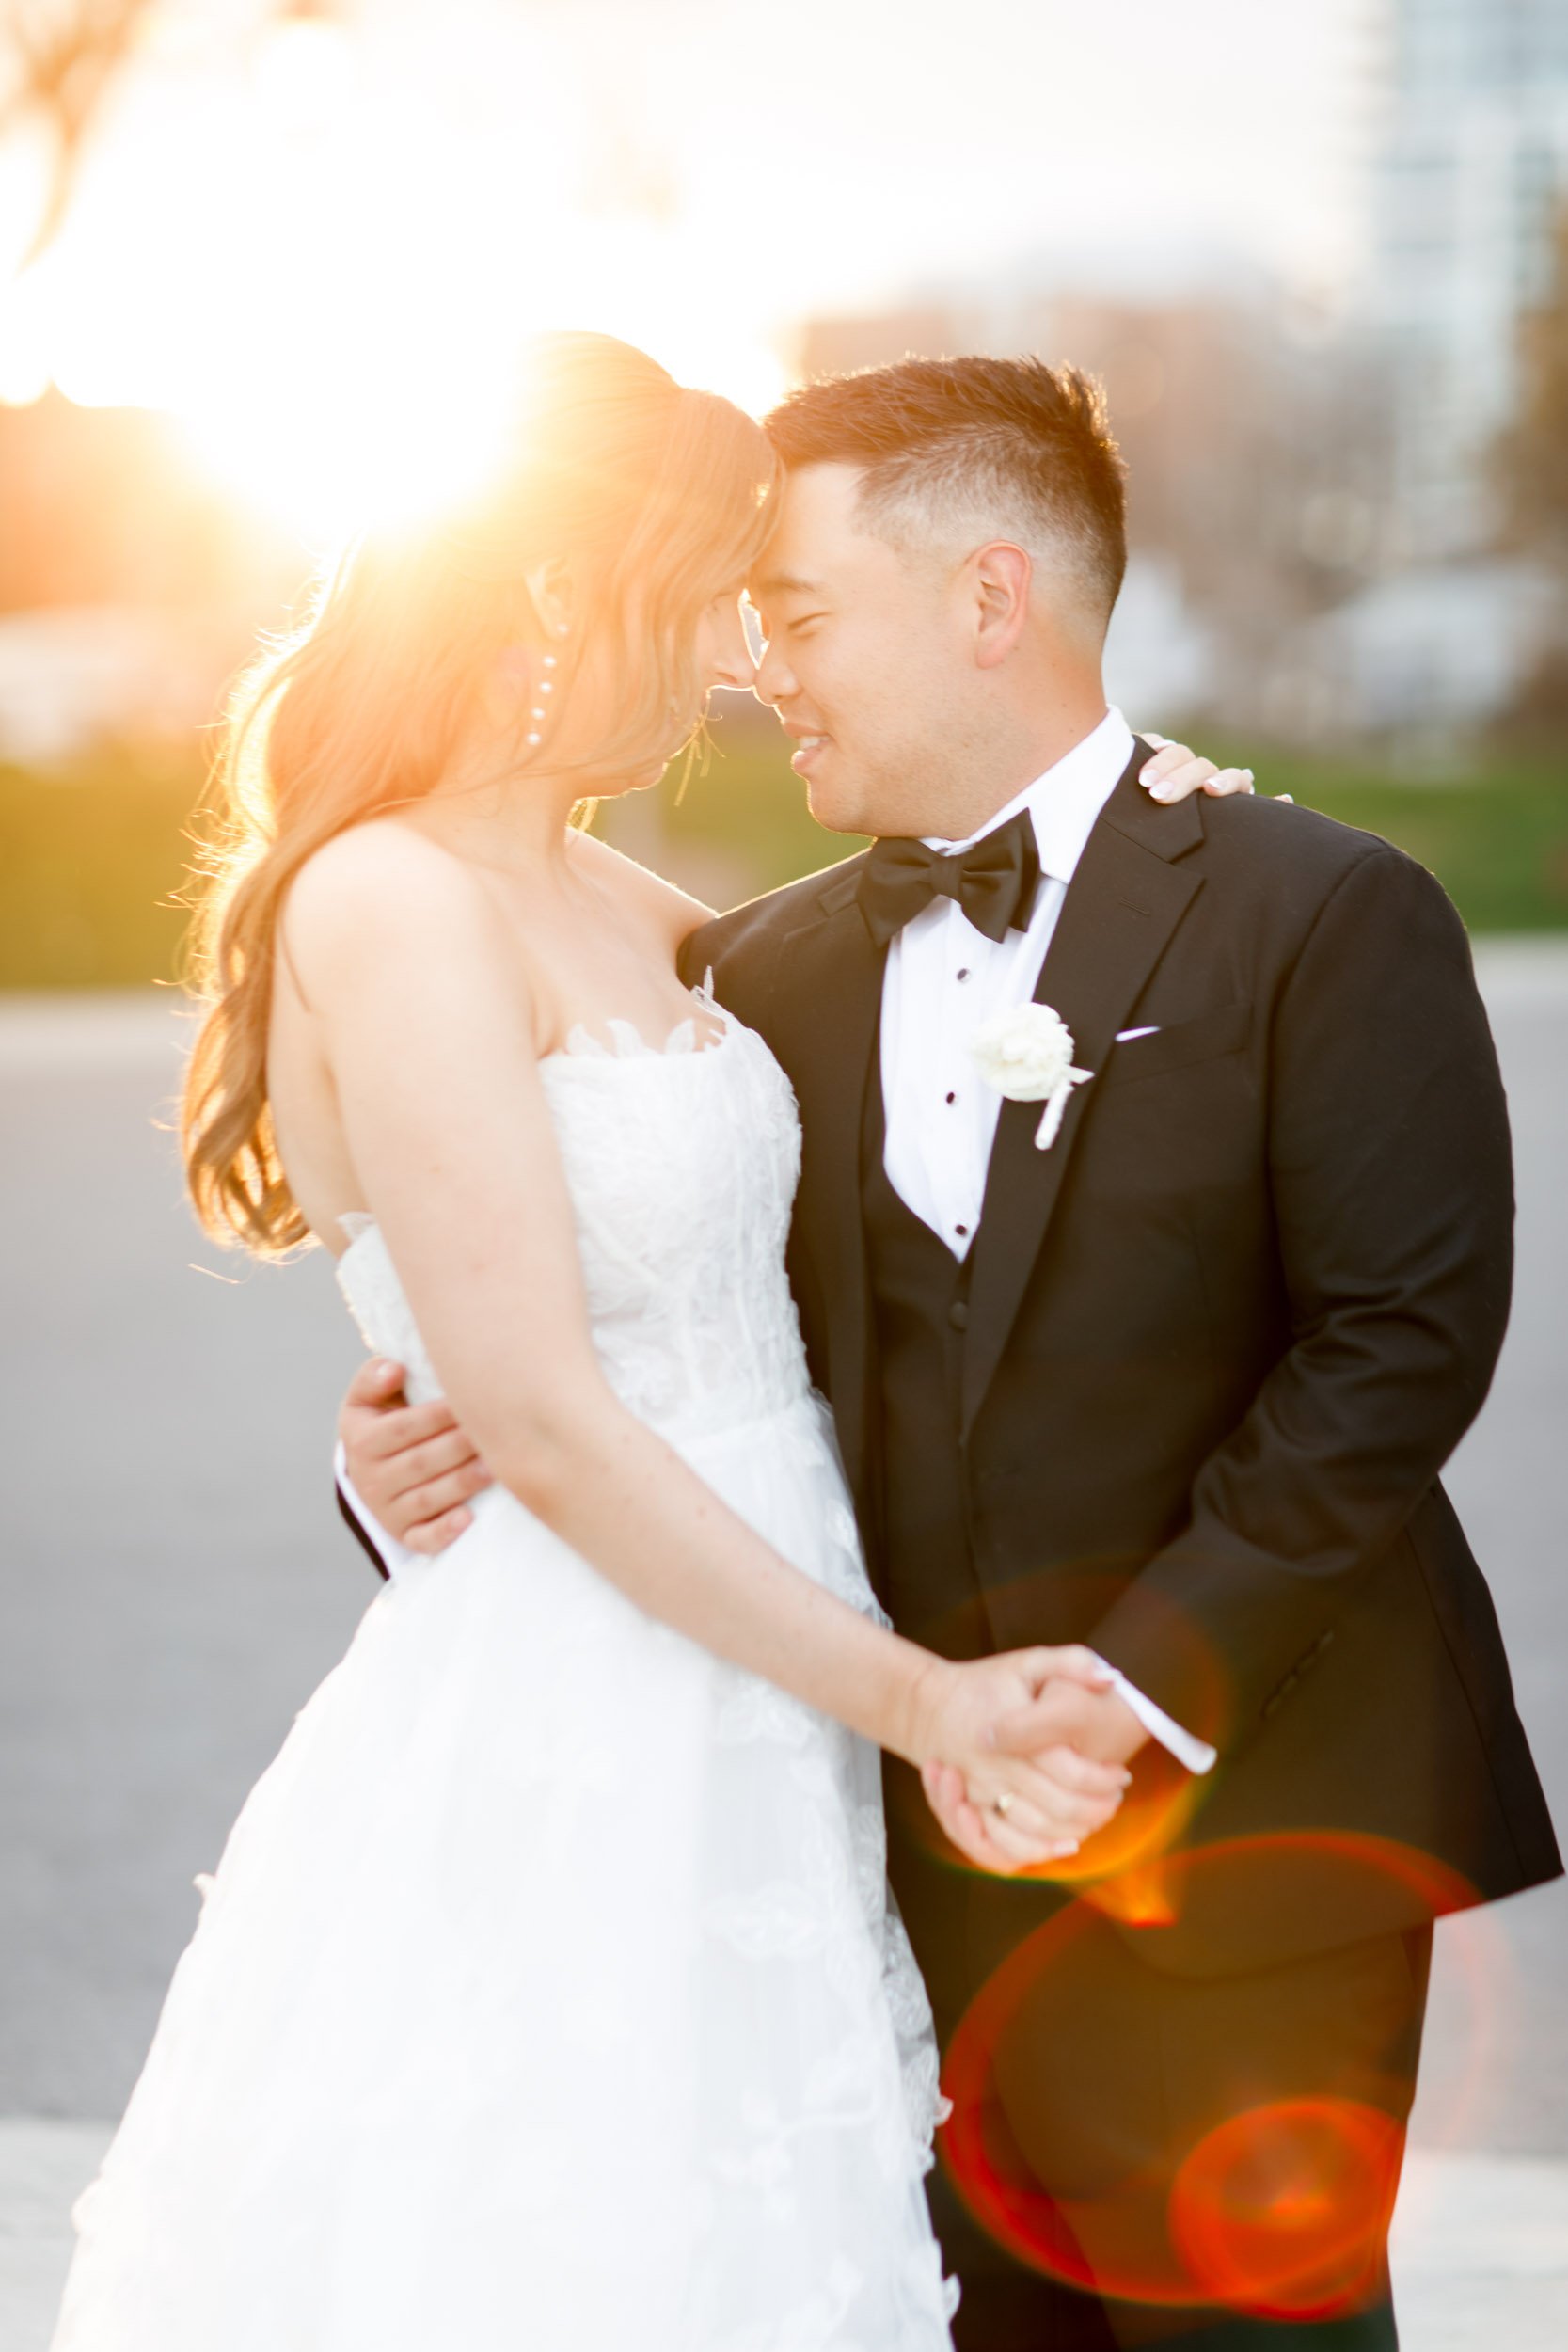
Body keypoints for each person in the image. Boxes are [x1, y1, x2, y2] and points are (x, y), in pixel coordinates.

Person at [345, 355, 1561, 2349]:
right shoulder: (755, 974)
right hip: (887, 1869)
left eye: (797, 613)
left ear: (988, 598)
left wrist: (1130, 1697)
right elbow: (652, 1325)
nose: (757, 669)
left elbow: (1398, 1345)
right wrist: (405, 1438)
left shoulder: (1328, 909)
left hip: (1251, 1837)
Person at [50, 332, 1235, 2352]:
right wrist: (917, 1701)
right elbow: (531, 1402)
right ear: (552, 589)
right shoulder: (391, 901)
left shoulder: (654, 909)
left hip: (758, 1681)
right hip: (585, 1693)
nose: (728, 667)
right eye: (706, 603)